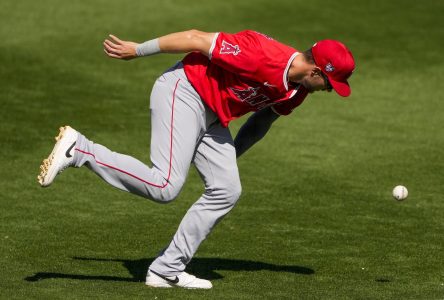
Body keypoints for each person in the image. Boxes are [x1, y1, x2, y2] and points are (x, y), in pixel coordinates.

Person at [37, 29, 355, 289]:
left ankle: (165, 270)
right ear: (316, 71)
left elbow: (261, 121)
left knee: (226, 189)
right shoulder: (262, 54)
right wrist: (138, 50)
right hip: (184, 91)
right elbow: (196, 39)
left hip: (214, 118)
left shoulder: (298, 91)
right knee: (165, 185)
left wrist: (231, 157)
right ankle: (80, 149)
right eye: (330, 84)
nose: (329, 91)